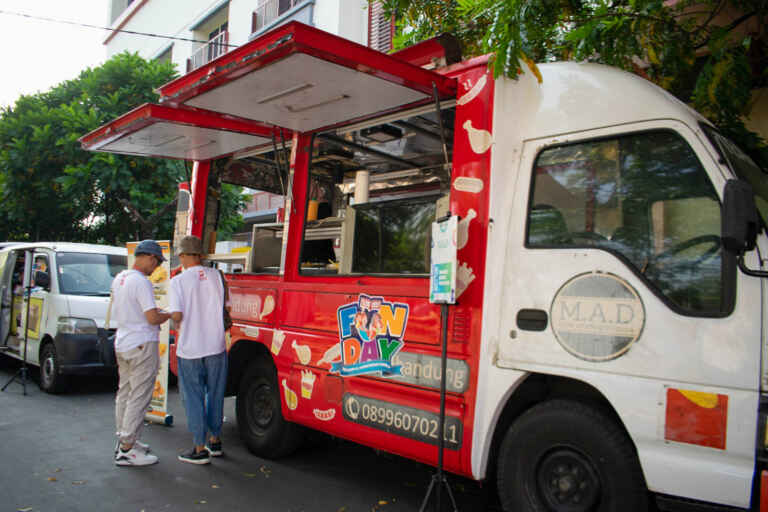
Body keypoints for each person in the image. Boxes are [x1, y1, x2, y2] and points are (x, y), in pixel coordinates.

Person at [168, 235, 229, 465]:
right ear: (200, 255)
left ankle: (199, 448)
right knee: (215, 393)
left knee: (193, 397)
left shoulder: (178, 281)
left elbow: (177, 315)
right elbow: (226, 308)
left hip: (190, 348)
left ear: (183, 255)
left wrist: (167, 315)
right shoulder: (217, 276)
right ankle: (215, 440)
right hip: (216, 346)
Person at [112, 240, 171, 467]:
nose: (155, 267)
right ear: (147, 257)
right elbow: (152, 318)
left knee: (125, 393)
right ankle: (127, 448)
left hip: (124, 342)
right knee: (139, 395)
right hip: (142, 344)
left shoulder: (120, 278)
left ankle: (125, 439)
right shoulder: (142, 283)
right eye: (155, 261)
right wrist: (167, 314)